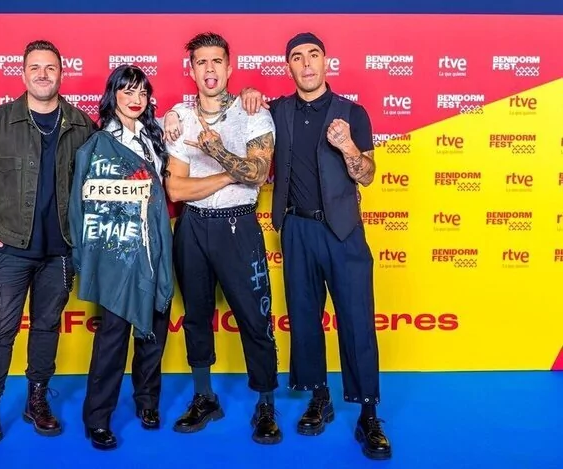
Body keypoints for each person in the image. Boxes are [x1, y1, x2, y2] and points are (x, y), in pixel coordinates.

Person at [216, 32, 392, 460]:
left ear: (326, 61)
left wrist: (347, 145)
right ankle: (319, 398)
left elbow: (368, 174)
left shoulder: (352, 112)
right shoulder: (276, 112)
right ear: (289, 66)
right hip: (296, 229)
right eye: (297, 57)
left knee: (357, 321)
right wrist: (249, 91)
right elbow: (237, 111)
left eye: (314, 55)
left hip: (344, 232)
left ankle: (369, 414)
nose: (307, 63)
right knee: (304, 319)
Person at [0, 39, 96, 458]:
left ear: (61, 73)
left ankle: (37, 400)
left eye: (50, 68)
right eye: (35, 67)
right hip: (8, 249)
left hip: (60, 251)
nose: (43, 75)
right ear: (23, 73)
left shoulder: (81, 125)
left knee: (47, 327)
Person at [162, 32, 282, 445]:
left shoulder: (252, 112)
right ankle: (204, 397)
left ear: (230, 67)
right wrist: (232, 173)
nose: (209, 69)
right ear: (192, 69)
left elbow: (259, 172)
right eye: (201, 62)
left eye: (217, 61)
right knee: (196, 316)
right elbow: (176, 189)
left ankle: (265, 404)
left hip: (238, 226)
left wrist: (216, 154)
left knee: (255, 318)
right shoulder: (180, 116)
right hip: (193, 227)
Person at [68, 65, 174, 450]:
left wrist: (172, 120)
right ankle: (97, 418)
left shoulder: (155, 137)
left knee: (154, 329)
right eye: (127, 91)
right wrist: (85, 256)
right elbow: (80, 206)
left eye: (142, 92)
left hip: (155, 247)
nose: (135, 99)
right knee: (113, 338)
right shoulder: (96, 146)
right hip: (117, 253)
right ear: (112, 95)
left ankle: (148, 403)